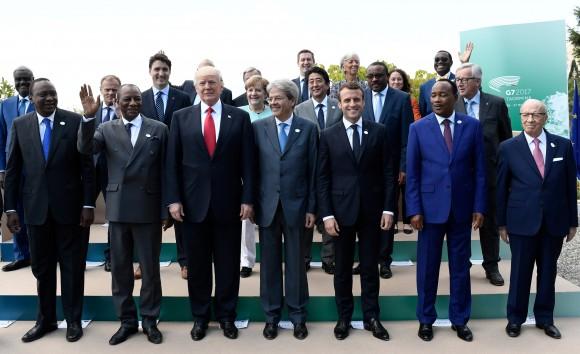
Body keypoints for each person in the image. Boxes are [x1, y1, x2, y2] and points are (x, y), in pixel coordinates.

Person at [78, 83, 172, 345]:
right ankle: (127, 321)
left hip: (149, 209)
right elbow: (85, 149)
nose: (132, 103)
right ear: (116, 102)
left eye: (137, 99)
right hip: (118, 209)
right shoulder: (105, 129)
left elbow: (167, 171)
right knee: (120, 270)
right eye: (127, 99)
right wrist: (87, 117)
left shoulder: (159, 128)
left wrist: (166, 208)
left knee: (150, 270)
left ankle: (150, 321)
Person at [166, 66, 255, 341]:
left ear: (221, 85)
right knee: (199, 266)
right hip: (192, 207)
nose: (207, 87)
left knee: (228, 265)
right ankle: (200, 317)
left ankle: (227, 316)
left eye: (212, 82)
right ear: (195, 86)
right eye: (202, 83)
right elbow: (172, 164)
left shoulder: (239, 117)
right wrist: (173, 200)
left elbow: (249, 164)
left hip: (229, 204)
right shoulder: (181, 118)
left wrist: (248, 198)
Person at [4, 78, 95, 343]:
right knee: (42, 269)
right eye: (43, 95)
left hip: (71, 211)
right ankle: (45, 320)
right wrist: (10, 208)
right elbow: (13, 170)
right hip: (36, 211)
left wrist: (88, 204)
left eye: (53, 94)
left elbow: (86, 167)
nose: (49, 99)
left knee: (72, 268)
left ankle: (74, 321)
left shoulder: (74, 121)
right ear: (31, 98)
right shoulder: (20, 125)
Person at [406, 79, 486, 342]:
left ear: (454, 97)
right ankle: (426, 320)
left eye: (442, 95)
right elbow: (413, 173)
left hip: (462, 209)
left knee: (460, 268)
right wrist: (414, 209)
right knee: (427, 268)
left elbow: (480, 172)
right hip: (429, 212)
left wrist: (478, 206)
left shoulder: (472, 126)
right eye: (433, 95)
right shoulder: (418, 128)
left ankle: (460, 319)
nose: (437, 99)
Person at [318, 82, 395, 341]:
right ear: (339, 104)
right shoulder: (328, 135)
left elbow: (388, 173)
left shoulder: (380, 131)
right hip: (339, 214)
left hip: (373, 212)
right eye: (347, 100)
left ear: (364, 102)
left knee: (370, 267)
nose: (352, 104)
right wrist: (326, 214)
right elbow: (323, 178)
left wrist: (388, 209)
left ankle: (372, 316)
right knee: (341, 269)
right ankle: (344, 317)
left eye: (357, 100)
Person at [497, 99, 577, 339]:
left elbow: (569, 187)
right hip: (521, 221)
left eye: (535, 115)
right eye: (525, 115)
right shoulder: (508, 147)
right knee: (520, 273)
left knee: (548, 273)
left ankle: (545, 318)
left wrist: (573, 221)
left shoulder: (562, 146)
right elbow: (500, 188)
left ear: (545, 117)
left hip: (554, 222)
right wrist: (501, 222)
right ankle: (515, 319)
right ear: (520, 117)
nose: (530, 119)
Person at [253, 79, 317, 340]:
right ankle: (271, 316)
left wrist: (312, 207)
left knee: (296, 265)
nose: (273, 102)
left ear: (292, 100)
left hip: (297, 206)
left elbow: (314, 172)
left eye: (279, 97)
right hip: (267, 206)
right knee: (268, 265)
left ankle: (298, 316)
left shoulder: (309, 129)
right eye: (271, 97)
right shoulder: (258, 128)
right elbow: (252, 170)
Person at [454, 63, 513, 286]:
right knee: (460, 222)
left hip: (489, 174)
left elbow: (506, 140)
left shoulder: (496, 104)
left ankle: (491, 266)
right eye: (457, 79)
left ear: (477, 82)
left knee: (489, 222)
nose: (459, 83)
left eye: (464, 79)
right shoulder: (453, 103)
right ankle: (462, 266)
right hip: (459, 175)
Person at [140, 51, 191, 280]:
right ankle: (144, 262)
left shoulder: (182, 98)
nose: (160, 73)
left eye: (164, 69)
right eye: (156, 69)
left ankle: (185, 261)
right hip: (149, 165)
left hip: (178, 162)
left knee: (180, 214)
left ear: (170, 71)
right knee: (148, 217)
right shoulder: (139, 98)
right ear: (150, 72)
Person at [362, 61, 413, 279]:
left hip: (390, 169)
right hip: (363, 168)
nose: (374, 79)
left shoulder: (401, 99)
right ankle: (366, 259)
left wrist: (403, 166)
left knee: (387, 213)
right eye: (370, 76)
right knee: (364, 216)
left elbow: (406, 137)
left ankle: (384, 260)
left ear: (386, 76)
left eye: (379, 75)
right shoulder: (360, 97)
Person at [294, 66, 343, 274]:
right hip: (307, 167)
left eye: (318, 80)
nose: (315, 84)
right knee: (308, 214)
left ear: (326, 84)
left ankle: (328, 258)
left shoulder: (337, 106)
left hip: (333, 167)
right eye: (310, 81)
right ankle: (304, 257)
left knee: (329, 212)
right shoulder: (299, 108)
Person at [0, 66, 35, 272]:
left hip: (36, 169)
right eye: (18, 81)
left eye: (26, 80)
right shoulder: (5, 105)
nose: (22, 84)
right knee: (15, 212)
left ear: (33, 80)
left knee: (38, 213)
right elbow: (1, 139)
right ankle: (22, 255)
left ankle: (41, 254)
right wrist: (2, 170)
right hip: (13, 170)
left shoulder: (42, 100)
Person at [238, 75, 271, 278]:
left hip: (268, 172)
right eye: (249, 90)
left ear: (265, 93)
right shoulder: (239, 113)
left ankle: (270, 260)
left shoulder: (272, 112)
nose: (253, 93)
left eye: (257, 90)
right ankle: (246, 261)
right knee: (246, 220)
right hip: (245, 172)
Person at [94, 75, 121, 272]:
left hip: (114, 173)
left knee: (113, 215)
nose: (111, 93)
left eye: (114, 89)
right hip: (91, 171)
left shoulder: (127, 112)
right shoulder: (92, 113)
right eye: (107, 89)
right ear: (101, 90)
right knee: (81, 210)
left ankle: (113, 256)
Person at [387, 68, 419, 235]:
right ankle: (392, 221)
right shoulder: (380, 99)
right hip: (386, 156)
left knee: (406, 187)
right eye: (393, 79)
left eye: (399, 79)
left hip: (403, 151)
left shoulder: (408, 99)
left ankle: (406, 221)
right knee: (391, 191)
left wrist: (404, 163)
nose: (396, 82)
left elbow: (414, 122)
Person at [418, 43, 474, 117]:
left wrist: (465, 64)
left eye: (444, 59)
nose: (440, 62)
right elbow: (423, 113)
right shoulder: (425, 87)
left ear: (451, 63)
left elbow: (473, 94)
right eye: (437, 60)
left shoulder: (460, 81)